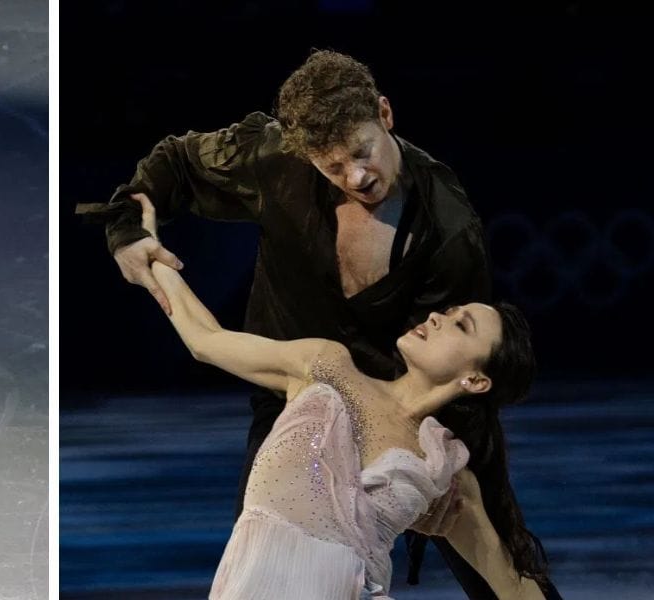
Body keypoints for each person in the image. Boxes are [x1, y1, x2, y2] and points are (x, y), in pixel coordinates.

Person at [77, 49, 559, 598]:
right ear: (304, 155)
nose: (356, 175)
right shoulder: (275, 158)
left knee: (482, 526)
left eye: (362, 152)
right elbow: (176, 166)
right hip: (299, 389)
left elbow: (458, 362)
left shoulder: (447, 231)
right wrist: (128, 229)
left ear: (385, 114)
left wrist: (459, 491)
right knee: (265, 542)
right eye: (332, 166)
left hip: (394, 404)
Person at [134, 195, 550, 598]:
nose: (439, 315)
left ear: (476, 381)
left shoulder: (443, 470)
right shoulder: (326, 364)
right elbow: (205, 339)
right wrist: (149, 248)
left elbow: (512, 588)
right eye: (451, 310)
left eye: (462, 326)